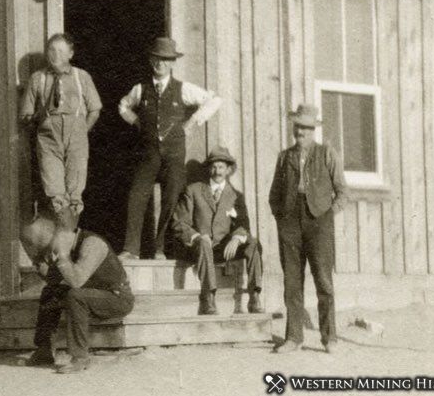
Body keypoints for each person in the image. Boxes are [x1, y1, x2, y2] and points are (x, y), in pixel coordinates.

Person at [118, 37, 222, 259]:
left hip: (175, 154)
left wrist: (192, 122)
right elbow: (123, 106)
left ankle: (160, 249)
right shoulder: (140, 89)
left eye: (165, 60)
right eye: (156, 59)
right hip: (149, 154)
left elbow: (214, 100)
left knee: (171, 197)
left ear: (172, 63)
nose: (160, 64)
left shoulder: (183, 89)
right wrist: (136, 121)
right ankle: (131, 249)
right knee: (137, 196)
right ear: (150, 60)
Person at [269, 104, 348, 354]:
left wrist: (327, 215)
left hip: (319, 222)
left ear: (313, 130)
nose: (300, 132)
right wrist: (282, 219)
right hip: (290, 223)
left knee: (323, 281)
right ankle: (293, 338)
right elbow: (274, 195)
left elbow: (343, 192)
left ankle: (329, 338)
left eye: (305, 127)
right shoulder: (285, 157)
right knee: (292, 281)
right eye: (297, 126)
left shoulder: (326, 153)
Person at [21, 217, 134, 374]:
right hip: (91, 295)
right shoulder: (64, 247)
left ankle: (79, 357)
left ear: (59, 235)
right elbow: (54, 280)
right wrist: (39, 263)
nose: (50, 254)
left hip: (117, 298)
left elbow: (76, 281)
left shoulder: (92, 243)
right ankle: (44, 349)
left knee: (75, 295)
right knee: (50, 292)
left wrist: (63, 256)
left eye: (49, 248)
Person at [20, 33, 102, 221]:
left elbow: (95, 110)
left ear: (70, 54)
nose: (55, 55)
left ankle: (70, 241)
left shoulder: (82, 77)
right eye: (51, 50)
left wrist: (82, 130)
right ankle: (58, 244)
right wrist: (40, 120)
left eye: (61, 51)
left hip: (77, 139)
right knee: (56, 194)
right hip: (49, 141)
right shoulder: (37, 79)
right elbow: (25, 115)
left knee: (74, 194)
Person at [174, 146, 264, 315]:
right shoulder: (193, 190)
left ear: (228, 170)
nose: (217, 171)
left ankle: (254, 296)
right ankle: (208, 298)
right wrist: (197, 236)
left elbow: (244, 224)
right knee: (203, 243)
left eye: (221, 167)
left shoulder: (236, 195)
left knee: (253, 242)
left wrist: (236, 238)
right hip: (199, 248)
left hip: (223, 249)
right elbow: (179, 223)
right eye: (214, 167)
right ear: (209, 168)